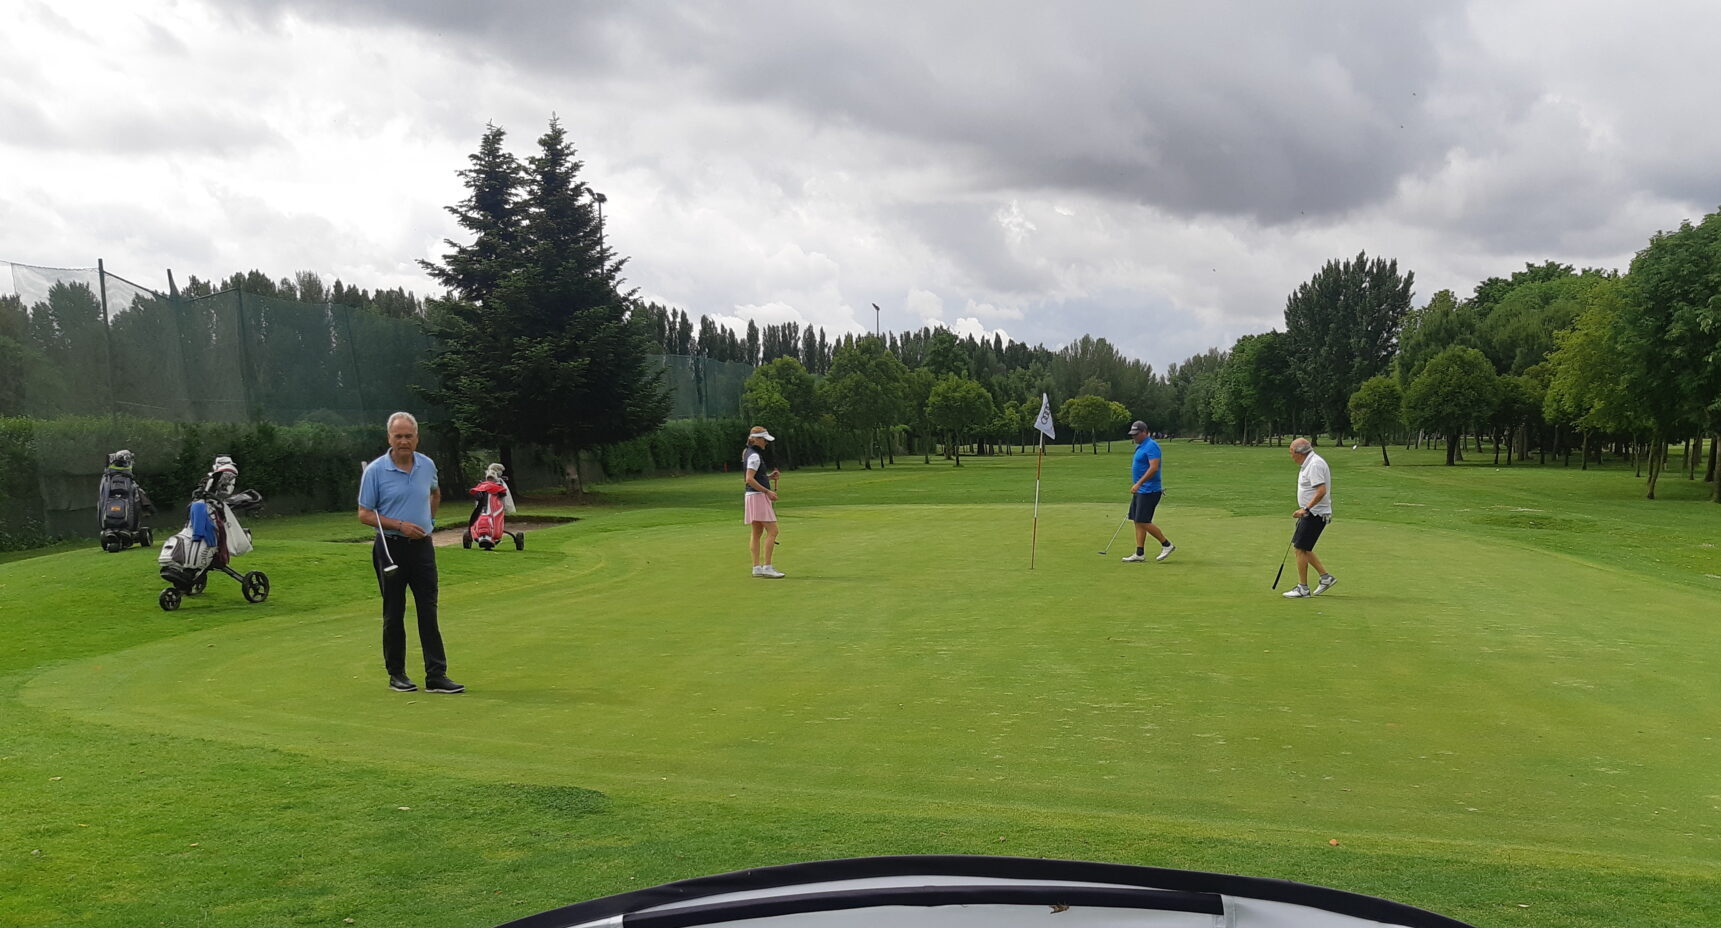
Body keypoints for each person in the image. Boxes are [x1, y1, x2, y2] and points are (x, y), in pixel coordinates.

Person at [357, 412, 463, 693]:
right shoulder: (375, 471)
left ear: (417, 438)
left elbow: (435, 493)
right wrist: (400, 525)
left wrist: (430, 522)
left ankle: (436, 674)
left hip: (422, 548)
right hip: (390, 547)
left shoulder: (426, 465)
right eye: (398, 436)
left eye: (408, 436)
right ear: (389, 438)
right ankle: (397, 673)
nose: (403, 441)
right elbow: (364, 514)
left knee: (428, 609)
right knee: (394, 611)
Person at [1284, 437, 1337, 598]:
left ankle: (1303, 588)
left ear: (1299, 453)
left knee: (1300, 548)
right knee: (1303, 548)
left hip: (1314, 513)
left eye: (1291, 453)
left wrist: (1305, 508)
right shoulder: (1309, 463)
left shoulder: (1314, 465)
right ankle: (1325, 578)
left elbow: (1321, 491)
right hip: (1311, 513)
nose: (1291, 456)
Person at [1122, 420, 1175, 563]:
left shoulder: (1152, 446)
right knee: (1137, 520)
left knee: (1143, 521)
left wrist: (1139, 483)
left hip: (1150, 490)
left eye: (1136, 434)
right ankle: (1139, 553)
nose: (1134, 437)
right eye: (1133, 434)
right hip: (1141, 490)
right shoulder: (1140, 446)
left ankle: (1167, 545)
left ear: (1145, 432)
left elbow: (1154, 467)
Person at [742, 425, 784, 578]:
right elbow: (749, 479)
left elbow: (755, 477)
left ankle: (757, 567)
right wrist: (767, 491)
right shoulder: (754, 456)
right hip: (758, 496)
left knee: (757, 532)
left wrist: (769, 477)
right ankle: (767, 566)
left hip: (751, 496)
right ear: (756, 440)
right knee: (773, 531)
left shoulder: (748, 452)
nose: (766, 443)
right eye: (764, 440)